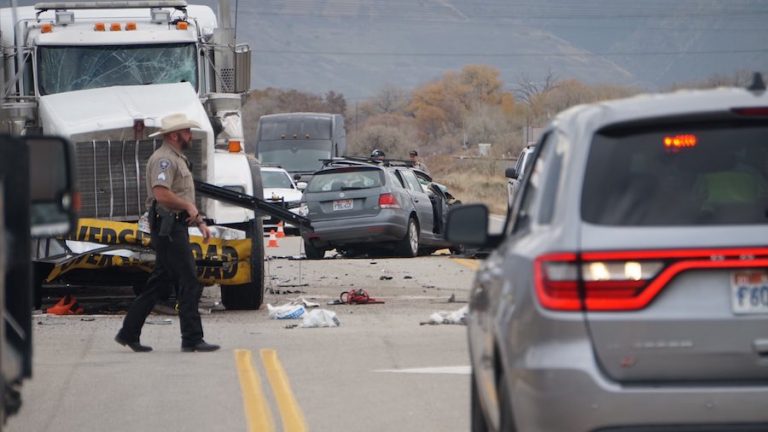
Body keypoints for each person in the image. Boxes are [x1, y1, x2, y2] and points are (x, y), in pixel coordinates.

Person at [115, 113, 219, 353]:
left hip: (174, 225)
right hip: (168, 228)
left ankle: (128, 333)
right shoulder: (164, 160)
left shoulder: (177, 158)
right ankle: (192, 338)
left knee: (159, 283)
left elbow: (181, 195)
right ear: (174, 135)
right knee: (189, 280)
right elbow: (162, 194)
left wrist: (199, 221)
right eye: (186, 131)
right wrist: (188, 207)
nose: (190, 136)